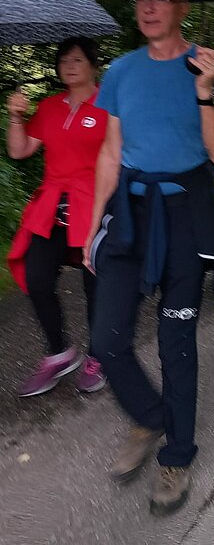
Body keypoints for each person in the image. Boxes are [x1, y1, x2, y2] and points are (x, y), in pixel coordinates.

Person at [83, 0, 214, 516]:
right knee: (106, 341)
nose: (147, 7)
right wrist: (93, 225)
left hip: (185, 215)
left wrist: (204, 93)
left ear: (182, 7)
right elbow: (110, 151)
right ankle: (150, 416)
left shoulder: (210, 67)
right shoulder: (121, 72)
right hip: (130, 213)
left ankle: (177, 453)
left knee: (177, 342)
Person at [6, 37, 108, 397]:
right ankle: (59, 353)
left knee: (96, 286)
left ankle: (99, 356)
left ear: (93, 64)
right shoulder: (49, 107)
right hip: (53, 207)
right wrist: (16, 117)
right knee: (37, 277)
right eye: (64, 60)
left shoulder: (109, 106)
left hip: (94, 205)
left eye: (77, 59)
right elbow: (19, 150)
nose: (69, 66)